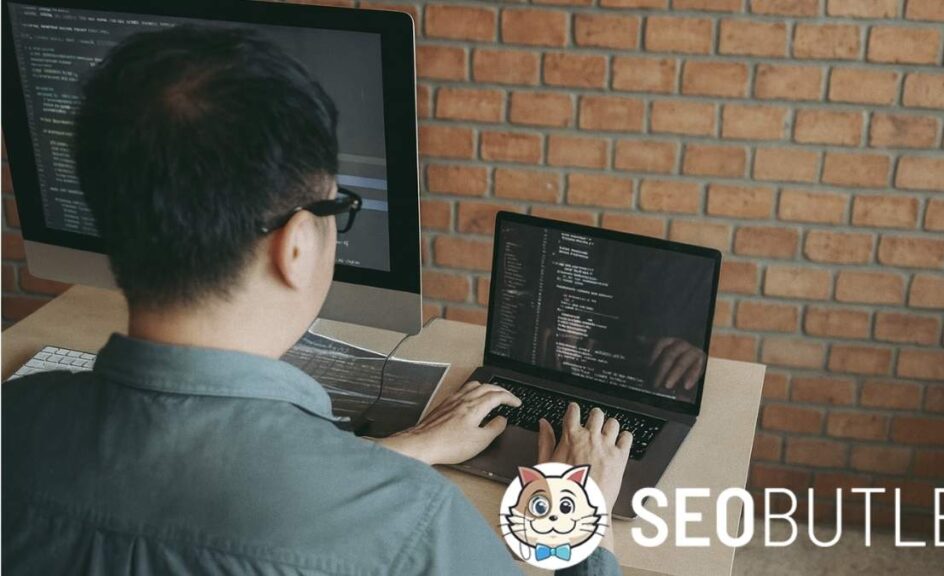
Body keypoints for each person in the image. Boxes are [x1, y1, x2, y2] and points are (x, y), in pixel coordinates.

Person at [1, 27, 632, 575]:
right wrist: (581, 523)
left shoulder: (14, 425)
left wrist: (402, 449)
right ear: (296, 244)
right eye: (336, 208)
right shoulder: (409, 524)